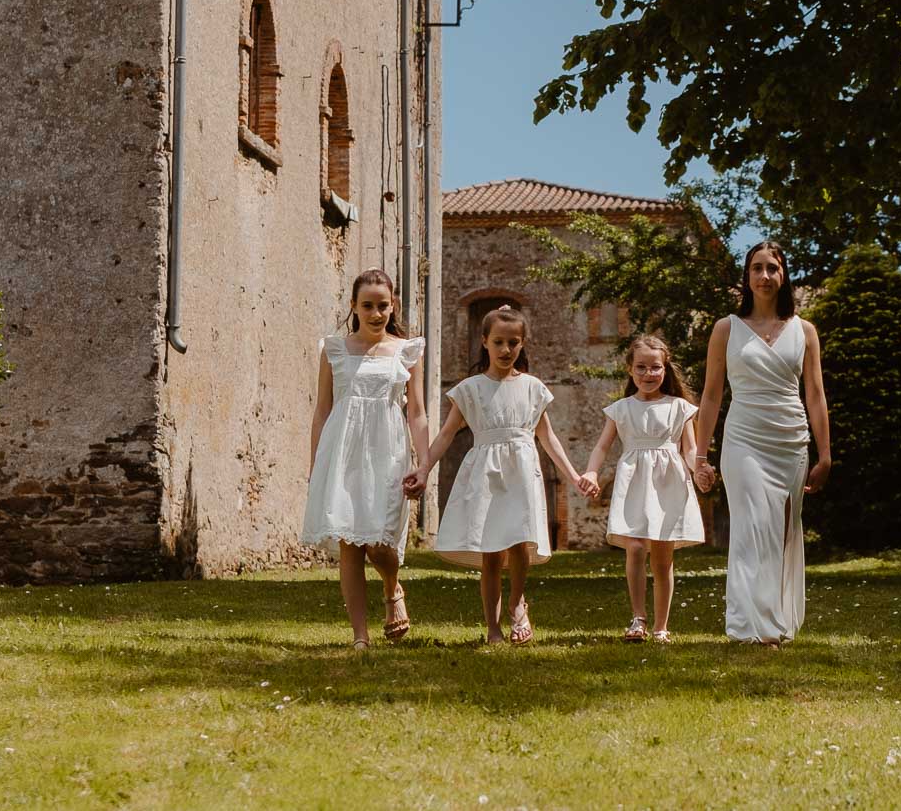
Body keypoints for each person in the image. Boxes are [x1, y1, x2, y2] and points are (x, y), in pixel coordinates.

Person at [403, 305, 597, 644]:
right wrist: (423, 468)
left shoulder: (534, 388)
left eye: (514, 342)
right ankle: (492, 628)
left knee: (521, 542)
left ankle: (517, 604)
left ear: (522, 344)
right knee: (491, 551)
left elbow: (547, 436)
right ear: (485, 342)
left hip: (521, 471)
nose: (506, 350)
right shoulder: (470, 389)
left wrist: (572, 474)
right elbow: (446, 434)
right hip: (486, 474)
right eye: (499, 342)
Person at [694, 241, 832, 644]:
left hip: (790, 440)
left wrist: (825, 454)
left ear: (783, 275)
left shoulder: (805, 331)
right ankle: (748, 626)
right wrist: (700, 456)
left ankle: (775, 622)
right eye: (757, 268)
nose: (765, 276)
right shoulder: (726, 329)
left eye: (772, 268)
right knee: (753, 527)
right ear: (747, 276)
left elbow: (816, 395)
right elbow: (711, 395)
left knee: (782, 532)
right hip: (743, 439)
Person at [302, 268, 429, 650]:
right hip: (342, 454)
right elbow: (322, 411)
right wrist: (316, 468)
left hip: (388, 454)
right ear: (354, 307)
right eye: (368, 305)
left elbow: (417, 413)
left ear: (394, 306)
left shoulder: (407, 352)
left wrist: (423, 464)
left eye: (383, 306)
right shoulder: (334, 351)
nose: (376, 313)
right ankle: (361, 636)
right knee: (349, 544)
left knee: (380, 543)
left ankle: (392, 589)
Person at [581, 335, 705, 644]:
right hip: (634, 481)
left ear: (665, 369)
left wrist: (700, 467)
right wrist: (592, 472)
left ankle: (662, 627)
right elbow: (602, 446)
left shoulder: (679, 407)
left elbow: (690, 449)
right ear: (629, 370)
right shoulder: (621, 409)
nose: (648, 374)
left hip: (668, 483)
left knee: (662, 559)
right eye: (641, 367)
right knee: (635, 547)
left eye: (655, 367)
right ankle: (638, 618)